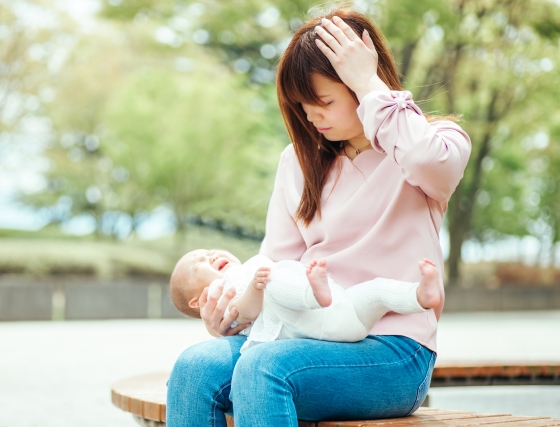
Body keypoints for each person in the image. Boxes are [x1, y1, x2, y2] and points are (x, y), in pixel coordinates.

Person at [166, 6, 471, 426]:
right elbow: (275, 268)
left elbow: (423, 158)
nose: (311, 116)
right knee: (194, 368)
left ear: (360, 81)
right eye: (302, 105)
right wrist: (234, 314)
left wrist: (369, 82)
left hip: (394, 351)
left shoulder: (433, 142)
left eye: (323, 100)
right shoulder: (297, 162)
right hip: (303, 334)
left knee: (264, 368)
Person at [170, 249, 441, 353]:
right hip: (317, 323)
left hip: (346, 316)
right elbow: (246, 312)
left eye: (207, 250)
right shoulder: (227, 290)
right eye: (199, 265)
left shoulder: (248, 268)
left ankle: (419, 296)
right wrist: (255, 287)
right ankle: (313, 293)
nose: (209, 255)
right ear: (198, 301)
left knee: (376, 291)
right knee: (273, 281)